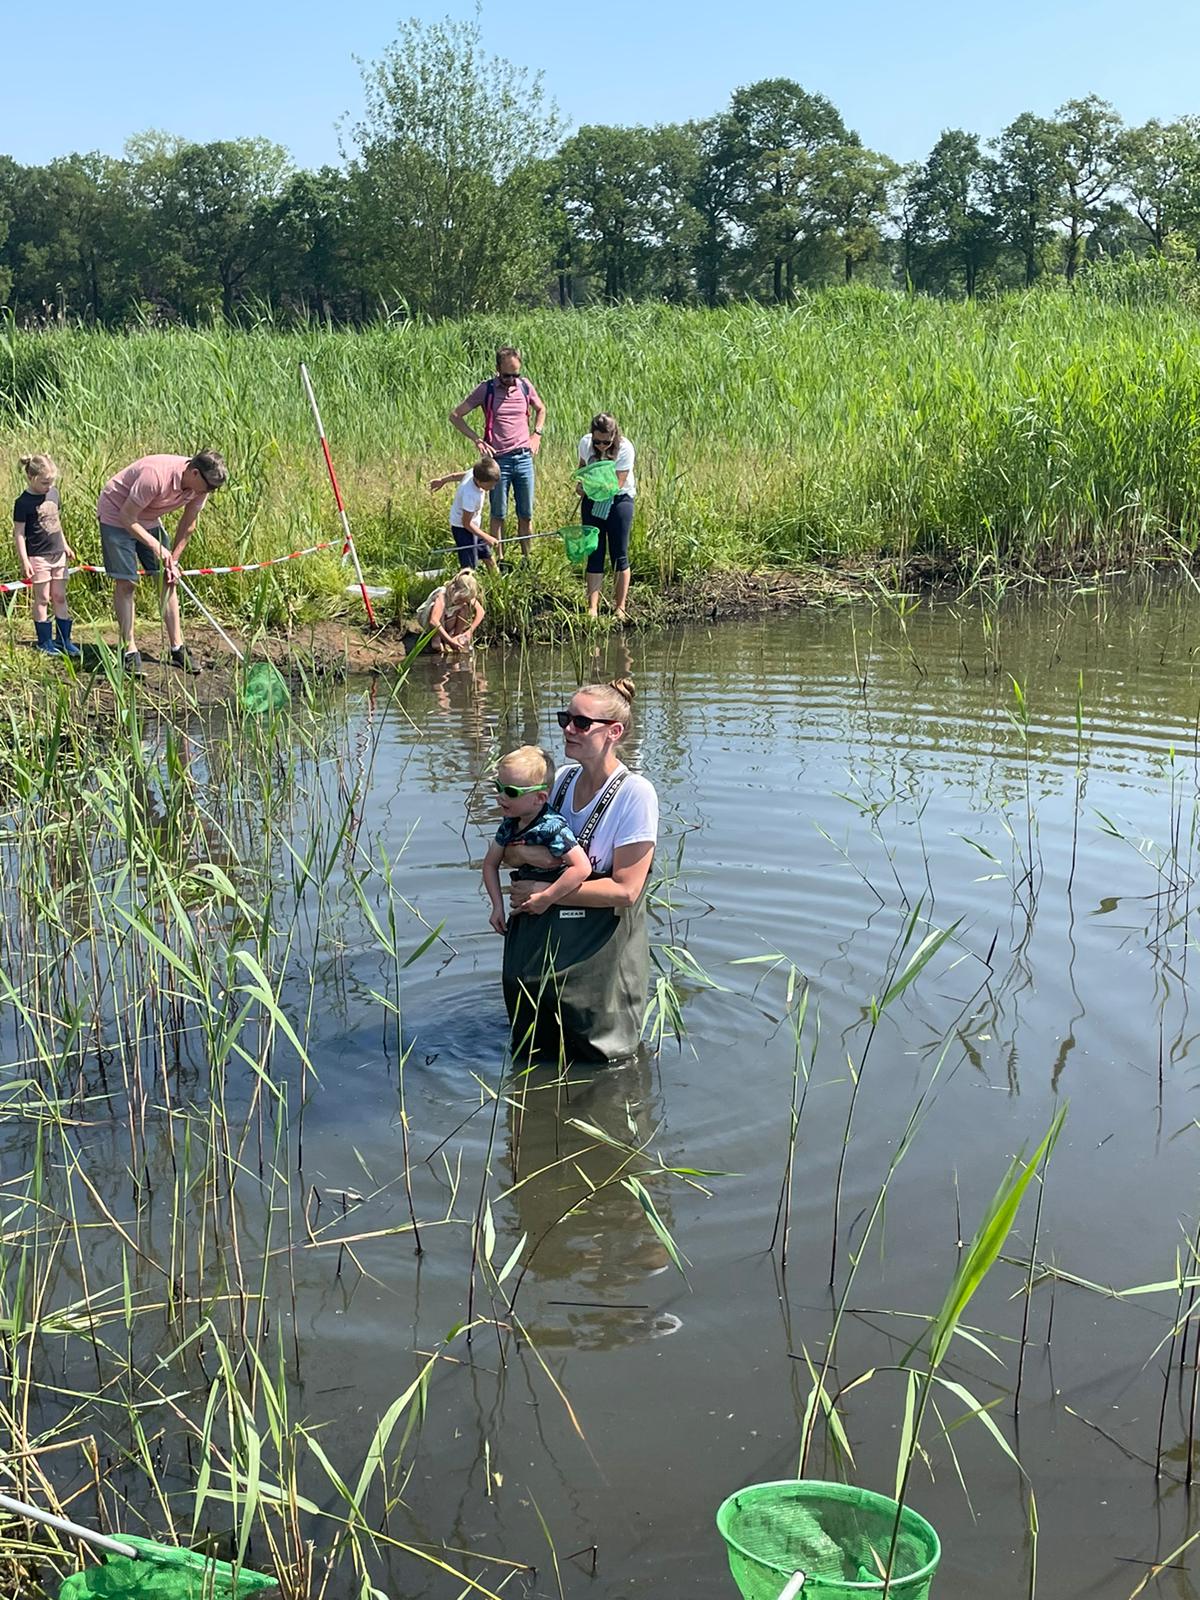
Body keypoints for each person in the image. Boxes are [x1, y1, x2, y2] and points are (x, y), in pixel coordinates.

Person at [504, 678, 658, 1065]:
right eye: (565, 719)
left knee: (604, 1062)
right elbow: (508, 848)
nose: (568, 729)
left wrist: (545, 893)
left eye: (581, 723)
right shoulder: (559, 781)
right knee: (534, 1052)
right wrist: (531, 858)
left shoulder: (635, 795)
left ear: (614, 732)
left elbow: (626, 891)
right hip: (545, 952)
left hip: (599, 957)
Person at [96, 451, 227, 677]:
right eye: (209, 488)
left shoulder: (200, 487)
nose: (209, 492)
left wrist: (173, 560)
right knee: (127, 583)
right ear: (195, 473)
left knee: (167, 579)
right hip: (117, 515)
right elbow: (127, 517)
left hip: (147, 519)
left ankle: (177, 648)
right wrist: (157, 547)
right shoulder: (155, 476)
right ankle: (129, 650)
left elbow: (189, 524)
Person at [481, 746, 593, 937]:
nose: (500, 796)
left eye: (511, 792)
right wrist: (497, 906)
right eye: (499, 787)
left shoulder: (552, 827)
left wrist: (546, 897)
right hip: (525, 904)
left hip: (555, 909)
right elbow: (490, 864)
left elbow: (582, 868)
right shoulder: (509, 824)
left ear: (540, 798)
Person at [449, 347, 546, 562]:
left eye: (515, 375)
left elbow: (541, 408)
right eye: (506, 375)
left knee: (526, 513)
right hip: (499, 460)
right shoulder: (487, 389)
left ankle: (527, 559)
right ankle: (499, 560)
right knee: (498, 513)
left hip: (524, 457)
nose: (511, 380)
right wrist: (477, 439)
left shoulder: (524, 386)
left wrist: (537, 434)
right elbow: (455, 415)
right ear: (497, 369)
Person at [12, 454, 80, 658]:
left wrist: (65, 545)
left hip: (58, 554)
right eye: (44, 483)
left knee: (60, 596)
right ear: (31, 478)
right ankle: (44, 641)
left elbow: (56, 523)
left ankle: (64, 640)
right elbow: (19, 533)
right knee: (42, 598)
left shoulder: (54, 494)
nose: (48, 486)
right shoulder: (22, 502)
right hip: (38, 556)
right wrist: (25, 560)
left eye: (51, 482)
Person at [577, 414, 636, 620]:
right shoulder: (585, 443)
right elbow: (582, 467)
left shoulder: (625, 448)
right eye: (597, 441)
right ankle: (592, 608)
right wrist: (581, 484)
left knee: (619, 553)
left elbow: (616, 485)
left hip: (618, 500)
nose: (601, 446)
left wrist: (590, 487)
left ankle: (620, 607)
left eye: (606, 442)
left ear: (614, 436)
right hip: (592, 499)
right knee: (594, 551)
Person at [430, 459, 501, 570]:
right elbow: (466, 523)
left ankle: (496, 579)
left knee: (487, 556)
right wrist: (487, 537)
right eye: (490, 485)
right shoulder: (470, 495)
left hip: (474, 527)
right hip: (462, 529)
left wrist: (442, 480)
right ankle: (467, 580)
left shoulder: (474, 473)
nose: (492, 488)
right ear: (478, 481)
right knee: (469, 564)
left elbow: (455, 476)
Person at [414, 570, 485, 654]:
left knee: (464, 607)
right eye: (460, 600)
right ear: (455, 591)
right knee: (435, 608)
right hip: (428, 621)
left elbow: (481, 612)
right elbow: (433, 621)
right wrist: (449, 642)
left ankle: (455, 635)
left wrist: (470, 631)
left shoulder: (466, 595)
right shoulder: (442, 594)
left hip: (447, 618)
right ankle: (436, 638)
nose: (461, 602)